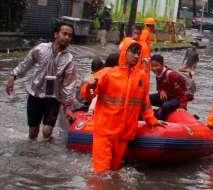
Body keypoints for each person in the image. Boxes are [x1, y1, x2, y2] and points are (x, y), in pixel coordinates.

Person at [88, 42, 164, 173]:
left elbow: (144, 103)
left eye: (138, 53)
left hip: (124, 135)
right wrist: (90, 86)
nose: (136, 56)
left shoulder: (141, 77)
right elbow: (88, 94)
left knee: (115, 170)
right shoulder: (107, 73)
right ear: (124, 52)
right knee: (101, 173)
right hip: (105, 132)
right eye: (133, 52)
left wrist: (152, 120)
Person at [6, 22, 77, 140]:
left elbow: (69, 84)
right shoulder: (41, 49)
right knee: (33, 133)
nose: (67, 38)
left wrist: (67, 106)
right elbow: (26, 64)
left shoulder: (69, 59)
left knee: (47, 131)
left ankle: (48, 146)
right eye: (64, 34)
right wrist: (13, 76)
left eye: (70, 36)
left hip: (54, 98)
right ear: (56, 34)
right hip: (35, 94)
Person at [149, 54, 188, 120]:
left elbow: (182, 93)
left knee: (165, 106)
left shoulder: (172, 75)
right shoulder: (158, 74)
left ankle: (160, 119)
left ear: (162, 65)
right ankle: (149, 114)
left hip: (177, 98)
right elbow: (158, 87)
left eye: (156, 66)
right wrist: (161, 90)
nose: (154, 68)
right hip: (168, 96)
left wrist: (182, 107)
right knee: (147, 99)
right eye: (152, 66)